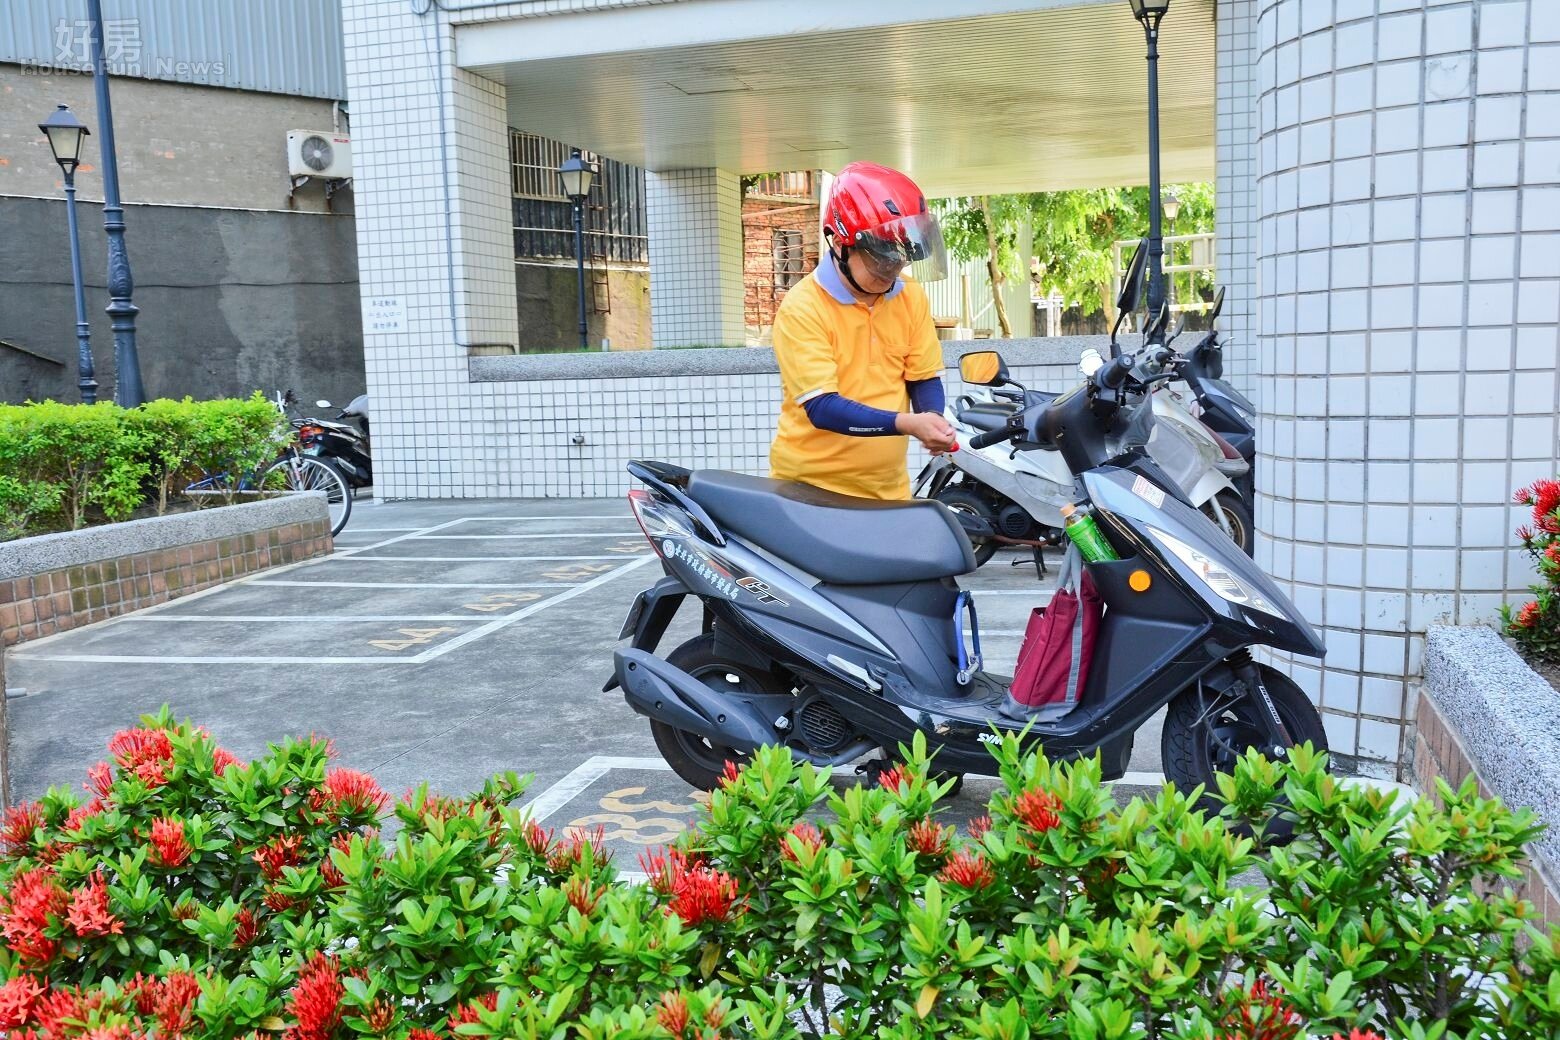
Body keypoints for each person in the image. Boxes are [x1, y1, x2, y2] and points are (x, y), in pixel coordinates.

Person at [768, 161, 958, 501]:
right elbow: (823, 407)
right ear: (841, 246)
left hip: (889, 490)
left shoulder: (909, 296)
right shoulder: (803, 308)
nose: (892, 272)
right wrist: (907, 423)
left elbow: (923, 377)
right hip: (810, 491)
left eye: (900, 260)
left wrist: (930, 417)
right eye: (880, 261)